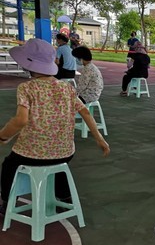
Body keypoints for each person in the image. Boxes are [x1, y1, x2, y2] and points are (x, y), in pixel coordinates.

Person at [0, 39, 110, 217]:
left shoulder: (27, 88)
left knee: (9, 164)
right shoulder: (67, 88)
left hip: (33, 153)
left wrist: (3, 136)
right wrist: (100, 139)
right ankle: (64, 197)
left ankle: (6, 201)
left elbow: (20, 120)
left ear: (28, 64)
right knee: (59, 162)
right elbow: (86, 114)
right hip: (65, 151)